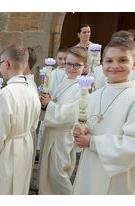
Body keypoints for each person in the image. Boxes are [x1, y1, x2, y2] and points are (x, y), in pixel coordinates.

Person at [72, 38, 135, 195]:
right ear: (102, 64)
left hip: (118, 176)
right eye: (109, 61)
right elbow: (87, 126)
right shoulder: (94, 95)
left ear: (133, 64)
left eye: (123, 60)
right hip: (89, 168)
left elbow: (132, 145)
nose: (114, 65)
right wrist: (80, 132)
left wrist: (92, 141)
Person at [0, 44, 41, 195]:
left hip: (10, 149)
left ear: (6, 63)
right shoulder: (32, 89)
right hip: (26, 144)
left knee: (6, 189)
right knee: (20, 187)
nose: (0, 68)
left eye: (0, 64)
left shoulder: (4, 94)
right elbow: (34, 123)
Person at [38, 47, 88, 195]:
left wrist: (49, 105)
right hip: (52, 133)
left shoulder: (82, 89)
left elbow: (71, 115)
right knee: (47, 172)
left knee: (58, 174)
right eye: (68, 63)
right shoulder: (65, 81)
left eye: (76, 65)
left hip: (63, 137)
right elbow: (56, 104)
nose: (71, 68)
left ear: (84, 67)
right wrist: (45, 102)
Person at [36, 46, 68, 161]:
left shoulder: (69, 75)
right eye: (60, 58)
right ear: (55, 58)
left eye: (65, 59)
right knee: (44, 128)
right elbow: (44, 85)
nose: (62, 62)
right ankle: (41, 149)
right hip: (49, 104)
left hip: (61, 105)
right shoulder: (51, 73)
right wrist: (42, 90)